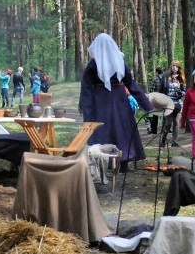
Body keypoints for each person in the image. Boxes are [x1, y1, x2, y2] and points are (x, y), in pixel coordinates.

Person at [79, 32, 153, 171]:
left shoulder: (93, 65)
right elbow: (132, 85)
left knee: (106, 131)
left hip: (101, 103)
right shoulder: (119, 63)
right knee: (120, 130)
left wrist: (87, 115)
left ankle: (111, 162)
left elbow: (86, 91)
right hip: (119, 102)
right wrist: (147, 106)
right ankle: (121, 162)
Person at [158, 61, 186, 147]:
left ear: (179, 68)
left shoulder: (181, 78)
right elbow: (161, 90)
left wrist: (180, 93)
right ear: (171, 67)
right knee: (168, 123)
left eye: (177, 66)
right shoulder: (165, 77)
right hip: (168, 102)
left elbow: (184, 91)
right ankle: (163, 139)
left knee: (176, 122)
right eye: (173, 66)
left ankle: (175, 142)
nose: (175, 68)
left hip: (178, 103)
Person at [148, 67, 164, 134]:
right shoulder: (165, 78)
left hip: (157, 98)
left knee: (155, 114)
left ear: (157, 72)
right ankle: (165, 129)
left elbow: (152, 88)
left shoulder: (156, 79)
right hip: (164, 98)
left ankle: (154, 130)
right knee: (165, 114)